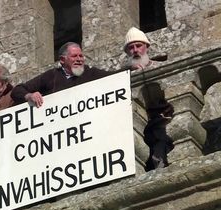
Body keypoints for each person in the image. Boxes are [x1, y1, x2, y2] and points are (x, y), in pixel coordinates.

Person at [124, 27, 174, 171]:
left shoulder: (161, 68)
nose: (135, 50)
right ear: (127, 52)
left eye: (138, 45)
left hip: (163, 121)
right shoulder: (122, 77)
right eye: (131, 47)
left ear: (146, 47)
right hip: (141, 126)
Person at [11, 42, 113, 107]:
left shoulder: (90, 73)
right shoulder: (51, 76)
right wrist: (30, 96)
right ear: (62, 60)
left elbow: (114, 77)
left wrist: (128, 68)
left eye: (81, 56)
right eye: (74, 56)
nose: (79, 59)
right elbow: (17, 91)